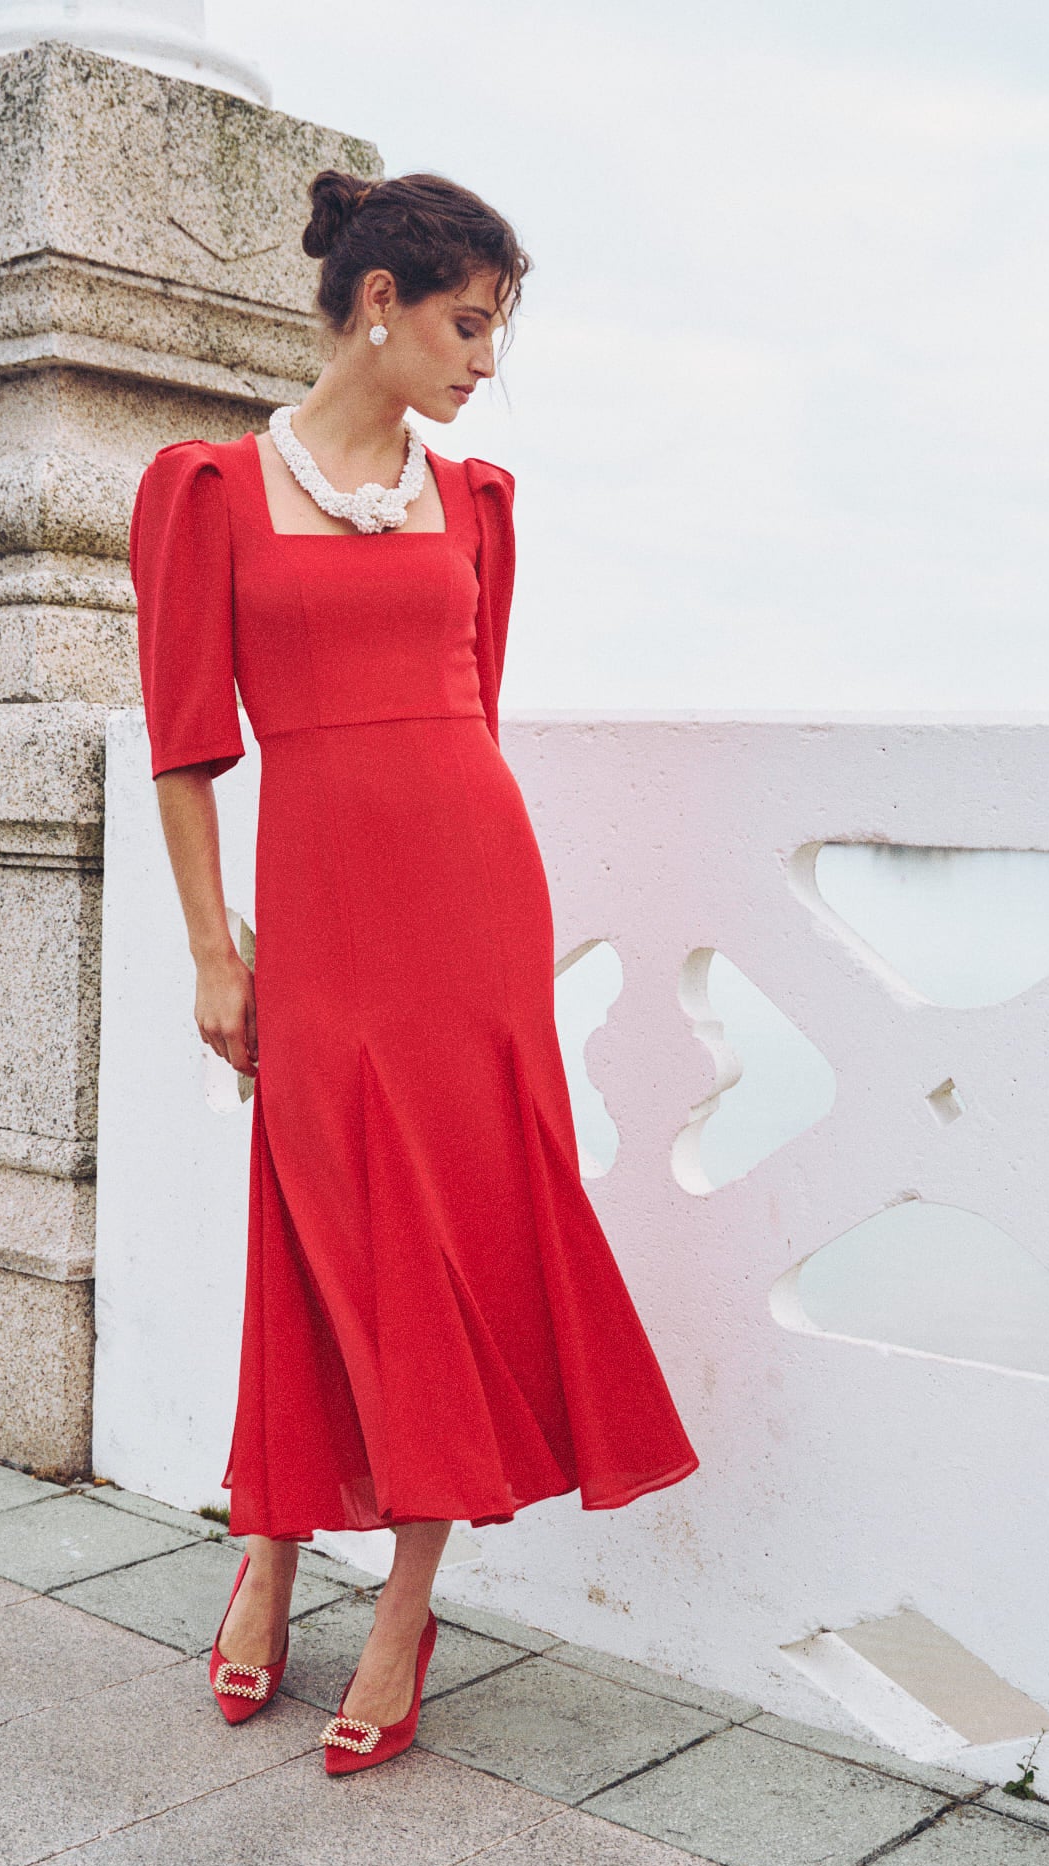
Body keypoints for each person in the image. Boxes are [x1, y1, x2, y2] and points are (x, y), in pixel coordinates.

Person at [129, 168, 699, 1775]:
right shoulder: (207, 490)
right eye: (467, 323)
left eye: (496, 332)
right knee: (319, 1235)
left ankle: (411, 1597)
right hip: (317, 914)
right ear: (379, 303)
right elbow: (186, 747)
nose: (481, 361)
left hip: (471, 911)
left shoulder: (483, 503)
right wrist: (212, 946)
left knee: (463, 1236)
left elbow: (470, 724)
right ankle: (276, 1548)